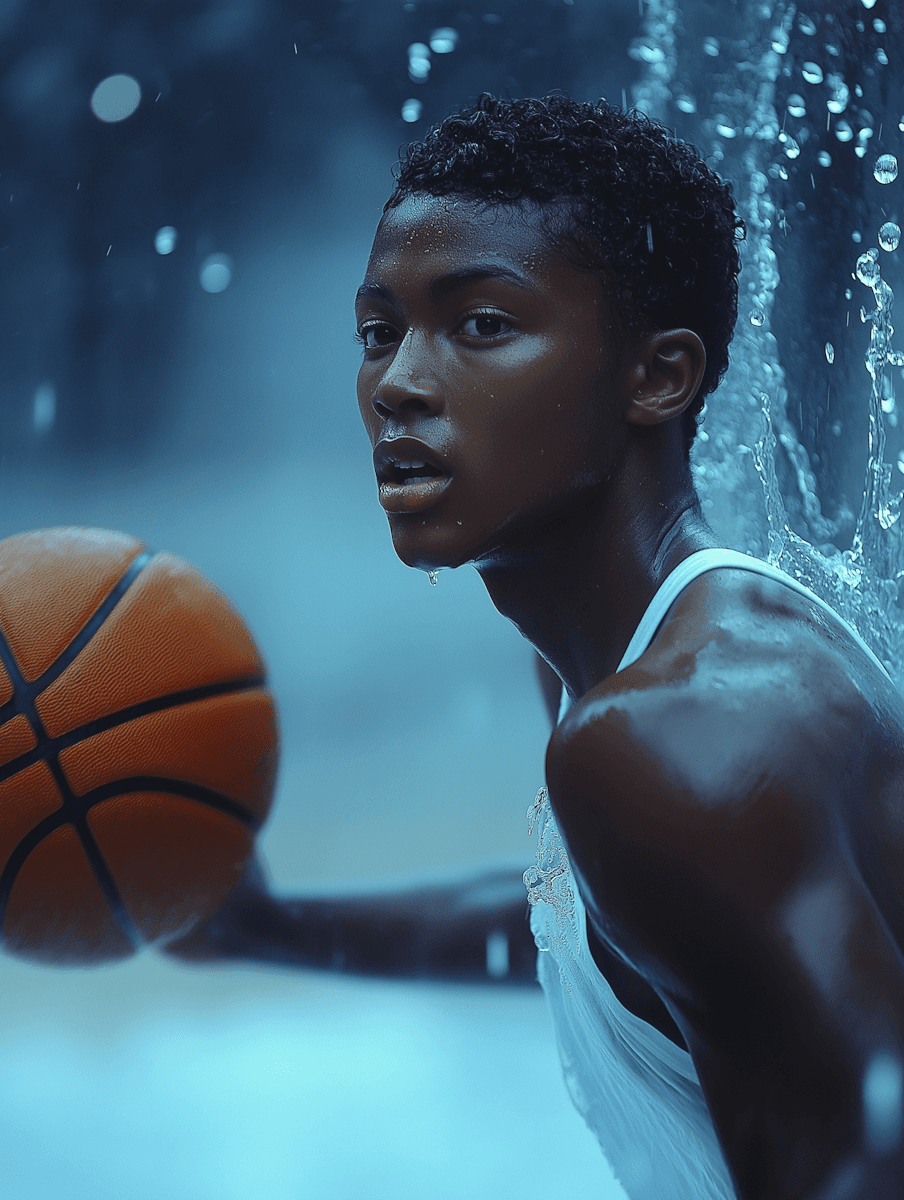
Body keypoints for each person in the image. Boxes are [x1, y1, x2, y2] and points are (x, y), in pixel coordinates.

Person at [167, 95, 904, 1200]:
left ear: (657, 377)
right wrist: (270, 928)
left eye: (481, 326)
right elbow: (599, 925)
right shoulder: (636, 680)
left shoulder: (673, 738)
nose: (399, 385)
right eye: (379, 332)